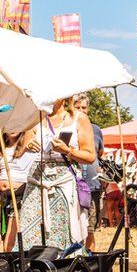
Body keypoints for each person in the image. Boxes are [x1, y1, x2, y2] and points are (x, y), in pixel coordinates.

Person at [21, 98, 96, 251]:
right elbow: (26, 140)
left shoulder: (78, 118)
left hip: (65, 183)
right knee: (29, 229)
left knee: (64, 230)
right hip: (37, 181)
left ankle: (62, 268)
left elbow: (90, 156)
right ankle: (33, 269)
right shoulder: (37, 115)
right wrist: (29, 144)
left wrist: (68, 151)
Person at [73, 93, 105, 252]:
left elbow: (99, 154)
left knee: (91, 229)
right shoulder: (69, 126)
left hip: (93, 186)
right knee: (75, 227)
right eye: (77, 107)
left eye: (83, 108)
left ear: (88, 109)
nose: (80, 111)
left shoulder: (96, 130)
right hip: (74, 184)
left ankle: (89, 259)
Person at [0, 129, 38, 251]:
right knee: (4, 236)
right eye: (10, 126)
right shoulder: (1, 148)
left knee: (10, 240)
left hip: (20, 194)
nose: (13, 129)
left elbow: (36, 134)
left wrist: (30, 143)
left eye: (16, 126)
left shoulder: (29, 144)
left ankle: (13, 265)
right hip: (5, 196)